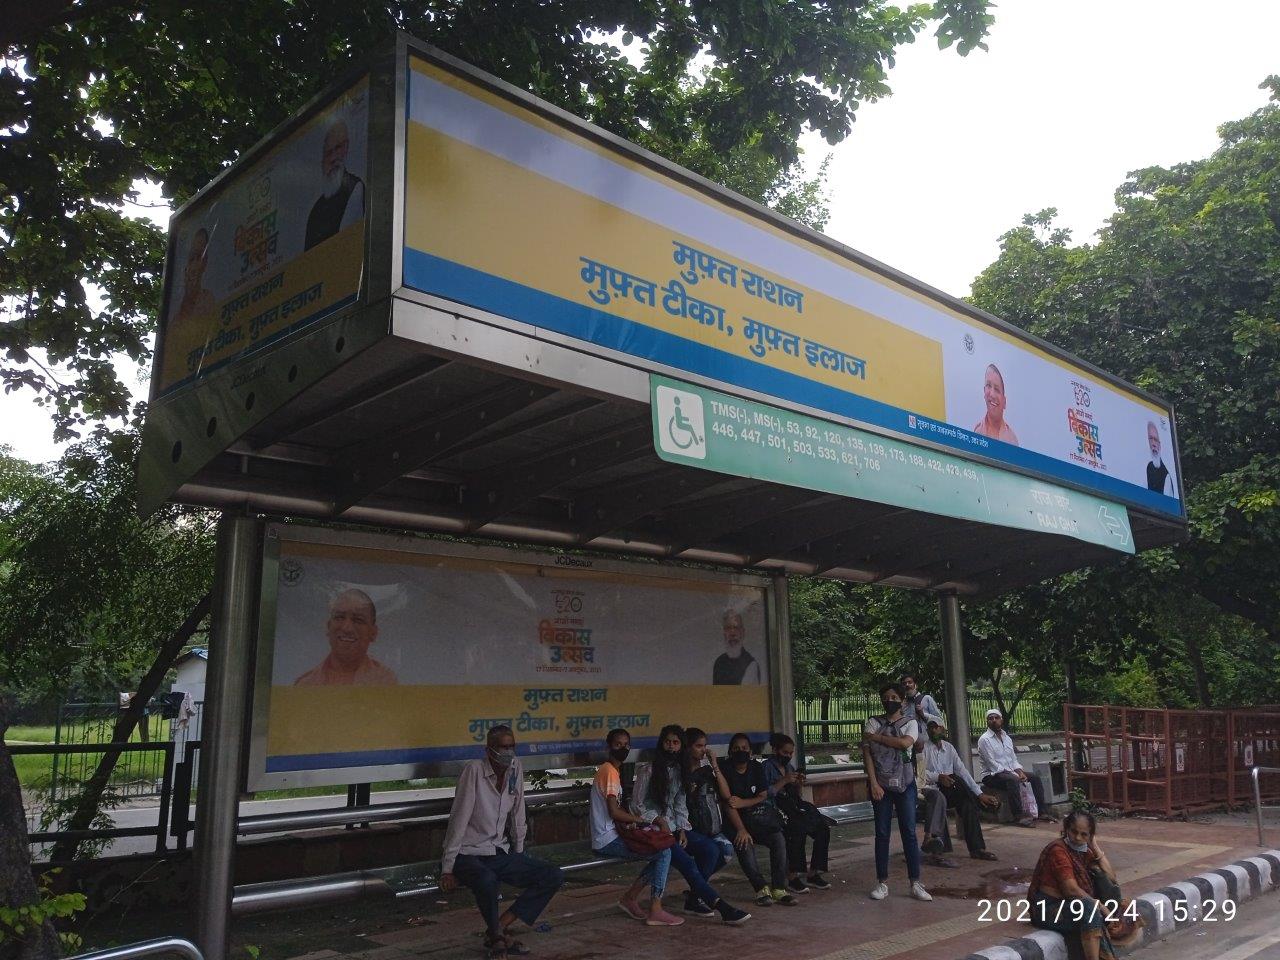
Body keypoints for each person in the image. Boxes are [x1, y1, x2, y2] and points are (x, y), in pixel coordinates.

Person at [440, 726, 564, 959]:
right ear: (489, 750)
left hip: (498, 850)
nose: (508, 752)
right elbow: (459, 818)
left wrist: (518, 853)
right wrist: (447, 868)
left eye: (512, 746)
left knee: (552, 875)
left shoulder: (515, 768)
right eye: (503, 747)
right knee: (487, 879)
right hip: (467, 853)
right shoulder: (474, 771)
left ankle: (498, 928)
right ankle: (498, 937)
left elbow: (518, 813)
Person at [629, 725, 751, 924]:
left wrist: (683, 829)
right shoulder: (649, 770)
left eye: (675, 743)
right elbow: (637, 804)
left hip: (675, 828)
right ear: (661, 744)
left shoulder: (679, 771)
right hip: (653, 830)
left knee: (711, 849)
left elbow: (680, 803)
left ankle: (694, 898)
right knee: (687, 864)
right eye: (667, 742)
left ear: (681, 746)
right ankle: (722, 907)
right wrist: (659, 820)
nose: (671, 747)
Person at [862, 684, 931, 902]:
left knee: (909, 832)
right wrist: (873, 783)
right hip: (881, 784)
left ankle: (915, 882)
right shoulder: (873, 721)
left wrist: (877, 738)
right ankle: (882, 882)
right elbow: (868, 756)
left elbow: (904, 743)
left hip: (905, 783)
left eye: (893, 697)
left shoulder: (910, 722)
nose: (889, 700)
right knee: (882, 833)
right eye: (885, 697)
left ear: (901, 700)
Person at [1028, 812, 1120, 960]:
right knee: (1090, 909)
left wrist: (1095, 847)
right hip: (1048, 908)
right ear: (1066, 829)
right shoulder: (1058, 850)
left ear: (1090, 836)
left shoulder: (1084, 851)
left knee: (1114, 895)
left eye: (1084, 835)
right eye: (1073, 832)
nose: (1077, 838)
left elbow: (1111, 878)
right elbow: (1070, 890)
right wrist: (1100, 906)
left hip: (1072, 905)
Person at [721, 733, 797, 906]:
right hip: (734, 822)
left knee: (778, 839)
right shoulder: (725, 769)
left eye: (745, 748)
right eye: (736, 749)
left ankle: (779, 888)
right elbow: (727, 803)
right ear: (730, 751)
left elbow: (762, 795)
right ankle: (761, 888)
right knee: (744, 843)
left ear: (750, 751)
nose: (741, 751)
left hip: (757, 817)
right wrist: (741, 829)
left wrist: (742, 803)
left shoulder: (755, 767)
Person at [920, 715, 999, 862]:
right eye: (930, 727)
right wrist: (939, 777)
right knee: (958, 783)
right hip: (932, 790)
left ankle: (977, 849)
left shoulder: (949, 748)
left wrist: (979, 792)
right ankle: (981, 804)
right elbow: (920, 773)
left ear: (942, 729)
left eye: (936, 727)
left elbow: (962, 771)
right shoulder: (923, 748)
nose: (933, 730)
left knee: (967, 803)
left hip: (952, 789)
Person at [763, 733, 831, 894]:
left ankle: (814, 872)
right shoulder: (766, 767)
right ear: (775, 750)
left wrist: (798, 784)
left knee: (823, 828)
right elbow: (765, 793)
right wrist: (784, 781)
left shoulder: (789, 767)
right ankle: (792, 876)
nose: (788, 756)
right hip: (775, 807)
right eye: (785, 753)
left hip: (793, 805)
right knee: (797, 829)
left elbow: (796, 795)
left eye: (790, 753)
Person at [294, 588, 398, 686]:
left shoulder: (386, 682)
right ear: (328, 627)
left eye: (358, 620)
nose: (347, 628)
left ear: (373, 633)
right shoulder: (305, 684)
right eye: (339, 617)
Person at [978, 708, 1051, 826]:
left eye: (996, 718)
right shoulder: (984, 740)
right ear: (987, 722)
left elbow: (1013, 760)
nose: (994, 721)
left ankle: (1042, 811)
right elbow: (993, 764)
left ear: (1001, 720)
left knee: (1034, 778)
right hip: (992, 775)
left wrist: (1020, 772)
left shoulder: (1007, 738)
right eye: (990, 719)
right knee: (1013, 780)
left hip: (1009, 772)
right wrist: (1015, 774)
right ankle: (1018, 816)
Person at [304, 118, 366, 251]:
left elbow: (347, 244)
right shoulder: (317, 208)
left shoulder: (355, 189)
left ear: (346, 148)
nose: (333, 158)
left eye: (337, 148)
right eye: (328, 153)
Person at [172, 227, 217, 328]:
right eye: (191, 259)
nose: (195, 267)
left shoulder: (207, 302)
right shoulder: (174, 320)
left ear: (205, 263)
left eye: (199, 258)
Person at [972, 363, 1020, 445]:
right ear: (984, 391)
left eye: (997, 390)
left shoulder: (1012, 439)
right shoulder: (977, 432)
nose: (992, 394)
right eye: (988, 385)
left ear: (1004, 402)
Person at [712, 609, 762, 685]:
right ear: (724, 633)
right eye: (728, 628)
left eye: (736, 628)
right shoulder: (719, 663)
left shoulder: (751, 666)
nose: (732, 633)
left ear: (743, 632)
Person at [1145, 421, 1176, 496]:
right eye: (1151, 439)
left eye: (1155, 440)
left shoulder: (1166, 476)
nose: (1153, 444)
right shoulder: (1149, 467)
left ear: (1159, 445)